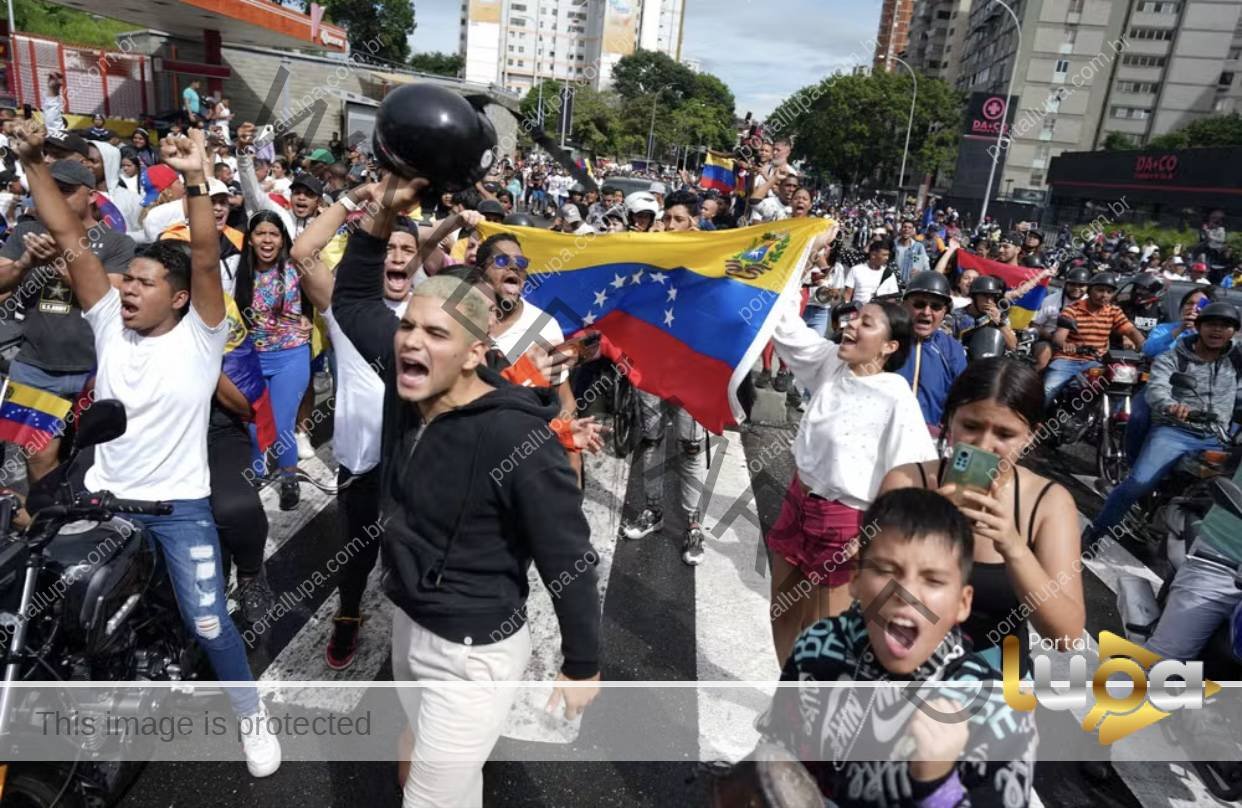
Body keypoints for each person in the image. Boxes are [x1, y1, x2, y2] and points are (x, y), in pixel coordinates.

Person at [11, 120, 281, 776]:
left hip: (180, 510)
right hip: (102, 501)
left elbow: (208, 254)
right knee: (46, 603)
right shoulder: (108, 322)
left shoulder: (201, 336)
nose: (127, 288)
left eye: (144, 282)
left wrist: (195, 179)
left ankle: (251, 716)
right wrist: (30, 162)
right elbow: (72, 240)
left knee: (212, 624)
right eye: (125, 279)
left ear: (181, 298)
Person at [331, 173, 602, 807]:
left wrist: (583, 661)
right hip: (410, 623)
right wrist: (381, 221)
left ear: (476, 352)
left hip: (473, 657)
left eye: (435, 334)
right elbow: (352, 305)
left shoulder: (518, 439)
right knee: (423, 761)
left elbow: (568, 556)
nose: (410, 342)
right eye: (409, 327)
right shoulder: (409, 377)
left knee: (430, 797)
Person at [758, 488, 1037, 807]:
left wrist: (939, 788)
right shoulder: (816, 650)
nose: (906, 594)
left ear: (963, 603)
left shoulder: (995, 710)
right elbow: (776, 760)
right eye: (886, 571)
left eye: (932, 580)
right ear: (856, 580)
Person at [766, 282, 935, 662]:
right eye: (855, 317)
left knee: (822, 631)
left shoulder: (896, 398)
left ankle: (807, 712)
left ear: (890, 346)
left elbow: (915, 478)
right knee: (783, 612)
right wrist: (802, 255)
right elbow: (783, 324)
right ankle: (786, 694)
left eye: (867, 324)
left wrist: (874, 534)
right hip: (798, 502)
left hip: (846, 523)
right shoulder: (831, 363)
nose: (851, 326)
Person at [881, 358, 1085, 671]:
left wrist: (1013, 546)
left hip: (996, 690)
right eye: (971, 426)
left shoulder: (1049, 503)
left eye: (1005, 434)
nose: (984, 445)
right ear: (949, 421)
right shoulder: (906, 482)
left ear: (1030, 436)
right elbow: (871, 597)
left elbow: (1065, 635)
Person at [0, 159, 135, 481]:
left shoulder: (117, 242)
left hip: (98, 370)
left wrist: (61, 263)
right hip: (35, 368)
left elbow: (110, 296)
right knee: (39, 459)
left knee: (101, 458)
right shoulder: (28, 232)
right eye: (51, 190)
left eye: (66, 191)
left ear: (91, 195)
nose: (57, 198)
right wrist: (24, 264)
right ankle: (50, 525)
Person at [1087, 302, 1242, 545]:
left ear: (1234, 332)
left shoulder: (1235, 357)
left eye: (1225, 327)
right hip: (1175, 431)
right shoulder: (1174, 358)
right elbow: (1157, 389)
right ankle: (1095, 534)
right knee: (1137, 484)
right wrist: (1172, 406)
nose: (1217, 331)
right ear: (1199, 327)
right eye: (1212, 324)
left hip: (1218, 436)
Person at [620, 190, 712, 565]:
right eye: (667, 219)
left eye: (678, 219)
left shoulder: (713, 254)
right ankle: (653, 511)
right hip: (650, 364)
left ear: (695, 220)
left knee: (691, 447)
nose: (669, 225)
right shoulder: (649, 250)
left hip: (692, 369)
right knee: (653, 439)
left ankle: (692, 525)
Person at [232, 210, 310, 510]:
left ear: (283, 240)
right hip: (251, 359)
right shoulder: (237, 272)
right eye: (260, 234)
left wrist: (308, 318)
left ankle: (288, 477)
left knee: (279, 424)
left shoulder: (297, 267)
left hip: (291, 355)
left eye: (273, 234)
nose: (267, 240)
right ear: (250, 240)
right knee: (252, 424)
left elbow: (323, 295)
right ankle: (258, 472)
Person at [1044, 272, 1146, 406]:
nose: (1104, 295)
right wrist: (1067, 345)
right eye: (1100, 290)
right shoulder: (1072, 309)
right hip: (1067, 360)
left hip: (1097, 362)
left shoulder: (1114, 311)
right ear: (1090, 290)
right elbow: (1059, 337)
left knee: (1120, 387)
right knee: (1048, 390)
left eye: (1109, 292)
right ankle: (1034, 423)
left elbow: (1130, 330)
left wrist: (1144, 347)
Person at [896, 271, 967, 435]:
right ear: (905, 304)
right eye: (919, 304)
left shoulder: (953, 350)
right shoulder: (886, 339)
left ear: (945, 312)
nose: (926, 312)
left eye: (936, 307)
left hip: (928, 441)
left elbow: (961, 402)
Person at [1029, 266, 1090, 372]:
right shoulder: (1050, 300)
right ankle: (1034, 380)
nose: (1076, 288)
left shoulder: (1092, 303)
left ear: (1088, 287)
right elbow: (1035, 325)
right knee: (1043, 354)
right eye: (1072, 284)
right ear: (1065, 284)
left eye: (1081, 285)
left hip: (1080, 345)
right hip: (1049, 341)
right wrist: (1051, 337)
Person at [951, 274, 1017, 351]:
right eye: (985, 296)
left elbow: (1013, 346)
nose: (989, 301)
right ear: (974, 296)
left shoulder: (1000, 317)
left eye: (992, 296)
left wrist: (999, 324)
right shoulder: (957, 316)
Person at [843, 239, 899, 305]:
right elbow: (847, 295)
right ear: (873, 255)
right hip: (858, 312)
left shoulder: (889, 274)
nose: (887, 258)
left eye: (887, 255)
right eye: (884, 255)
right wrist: (847, 312)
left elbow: (892, 299)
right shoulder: (856, 270)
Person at [893, 218, 929, 283]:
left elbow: (923, 266)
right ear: (900, 229)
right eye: (905, 227)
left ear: (913, 231)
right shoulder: (893, 245)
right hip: (893, 282)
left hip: (910, 284)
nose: (907, 229)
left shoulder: (917, 248)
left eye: (910, 228)